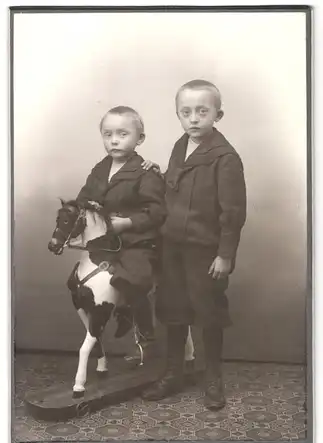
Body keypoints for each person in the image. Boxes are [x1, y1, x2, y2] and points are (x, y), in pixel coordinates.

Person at [142, 80, 247, 410]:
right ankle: (174, 372)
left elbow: (233, 212)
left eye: (203, 111)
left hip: (205, 252)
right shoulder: (179, 146)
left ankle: (213, 378)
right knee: (174, 310)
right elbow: (175, 190)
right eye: (186, 112)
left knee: (208, 313)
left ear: (218, 114)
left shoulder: (225, 158)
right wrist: (156, 174)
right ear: (178, 115)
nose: (194, 119)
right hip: (171, 246)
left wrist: (225, 254)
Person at [75, 106, 166, 342]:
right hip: (105, 242)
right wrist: (87, 207)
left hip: (136, 242)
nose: (114, 141)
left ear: (140, 139)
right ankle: (103, 320)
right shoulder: (100, 169)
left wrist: (128, 222)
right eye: (108, 134)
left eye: (122, 134)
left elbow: (157, 212)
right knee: (77, 278)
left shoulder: (146, 173)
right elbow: (83, 197)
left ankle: (144, 328)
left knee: (132, 279)